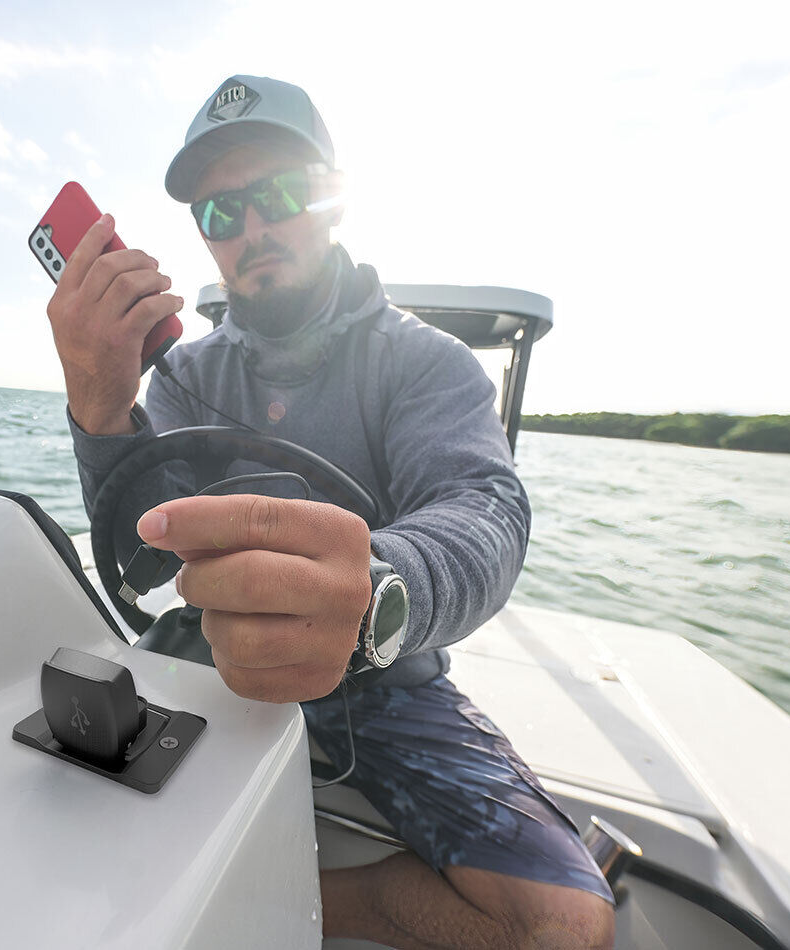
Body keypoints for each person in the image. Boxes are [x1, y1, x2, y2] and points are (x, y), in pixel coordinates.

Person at [48, 75, 615, 949]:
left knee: (564, 926)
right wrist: (100, 410)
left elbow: (485, 510)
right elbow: (141, 556)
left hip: (388, 679)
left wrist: (376, 596)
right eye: (219, 213)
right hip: (211, 654)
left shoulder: (426, 362)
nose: (252, 229)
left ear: (330, 198)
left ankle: (270, 893)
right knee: (54, 817)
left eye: (277, 195)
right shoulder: (183, 375)